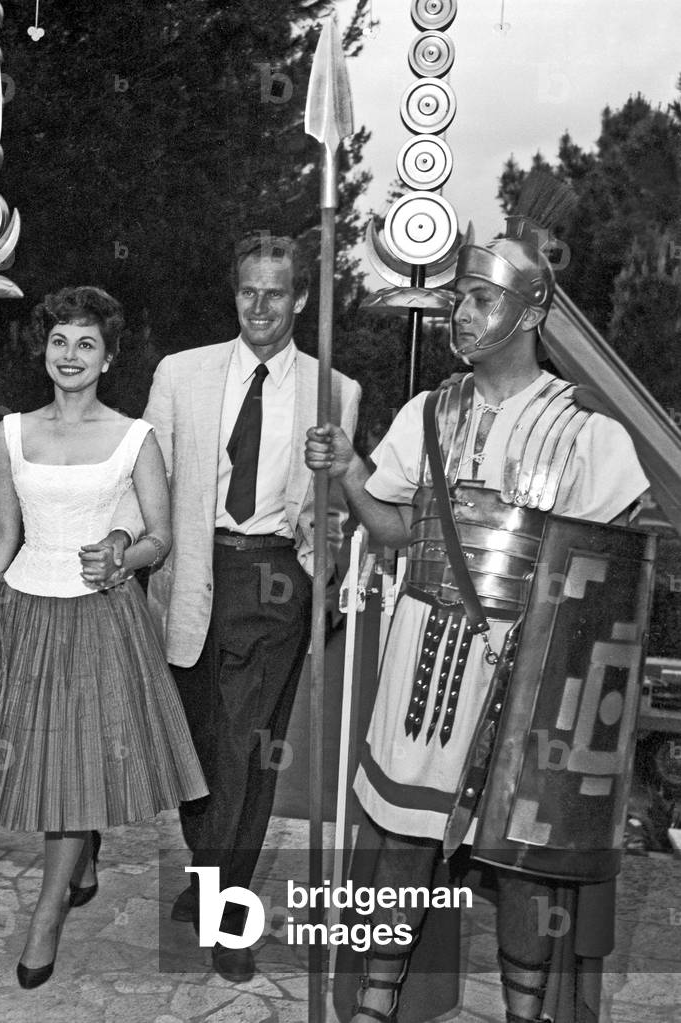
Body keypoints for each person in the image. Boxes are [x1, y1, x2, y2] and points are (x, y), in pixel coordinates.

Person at [306, 180, 649, 1023]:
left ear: (530, 312)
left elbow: (613, 571)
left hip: (526, 678)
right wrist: (347, 469)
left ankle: (525, 1012)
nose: (460, 312)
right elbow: (391, 529)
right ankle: (378, 1003)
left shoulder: (587, 431)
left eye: (481, 297)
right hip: (426, 657)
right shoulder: (426, 411)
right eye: (458, 296)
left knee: (525, 859)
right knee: (402, 839)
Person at [0, 285, 207, 990]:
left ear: (109, 357)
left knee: (76, 769)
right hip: (25, 608)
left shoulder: (133, 437)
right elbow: (2, 534)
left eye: (87, 343)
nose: (70, 355)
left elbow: (161, 536)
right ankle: (80, 858)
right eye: (59, 341)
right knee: (35, 763)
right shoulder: (14, 431)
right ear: (44, 350)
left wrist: (122, 550)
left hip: (98, 617)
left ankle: (46, 917)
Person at [104, 233, 360, 982]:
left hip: (273, 584)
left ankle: (228, 909)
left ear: (301, 300)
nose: (260, 306)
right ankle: (205, 868)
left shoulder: (332, 390)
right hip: (189, 575)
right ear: (235, 293)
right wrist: (125, 540)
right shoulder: (182, 375)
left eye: (276, 292)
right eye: (248, 290)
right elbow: (146, 480)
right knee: (195, 750)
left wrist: (330, 517)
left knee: (248, 753)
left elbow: (332, 506)